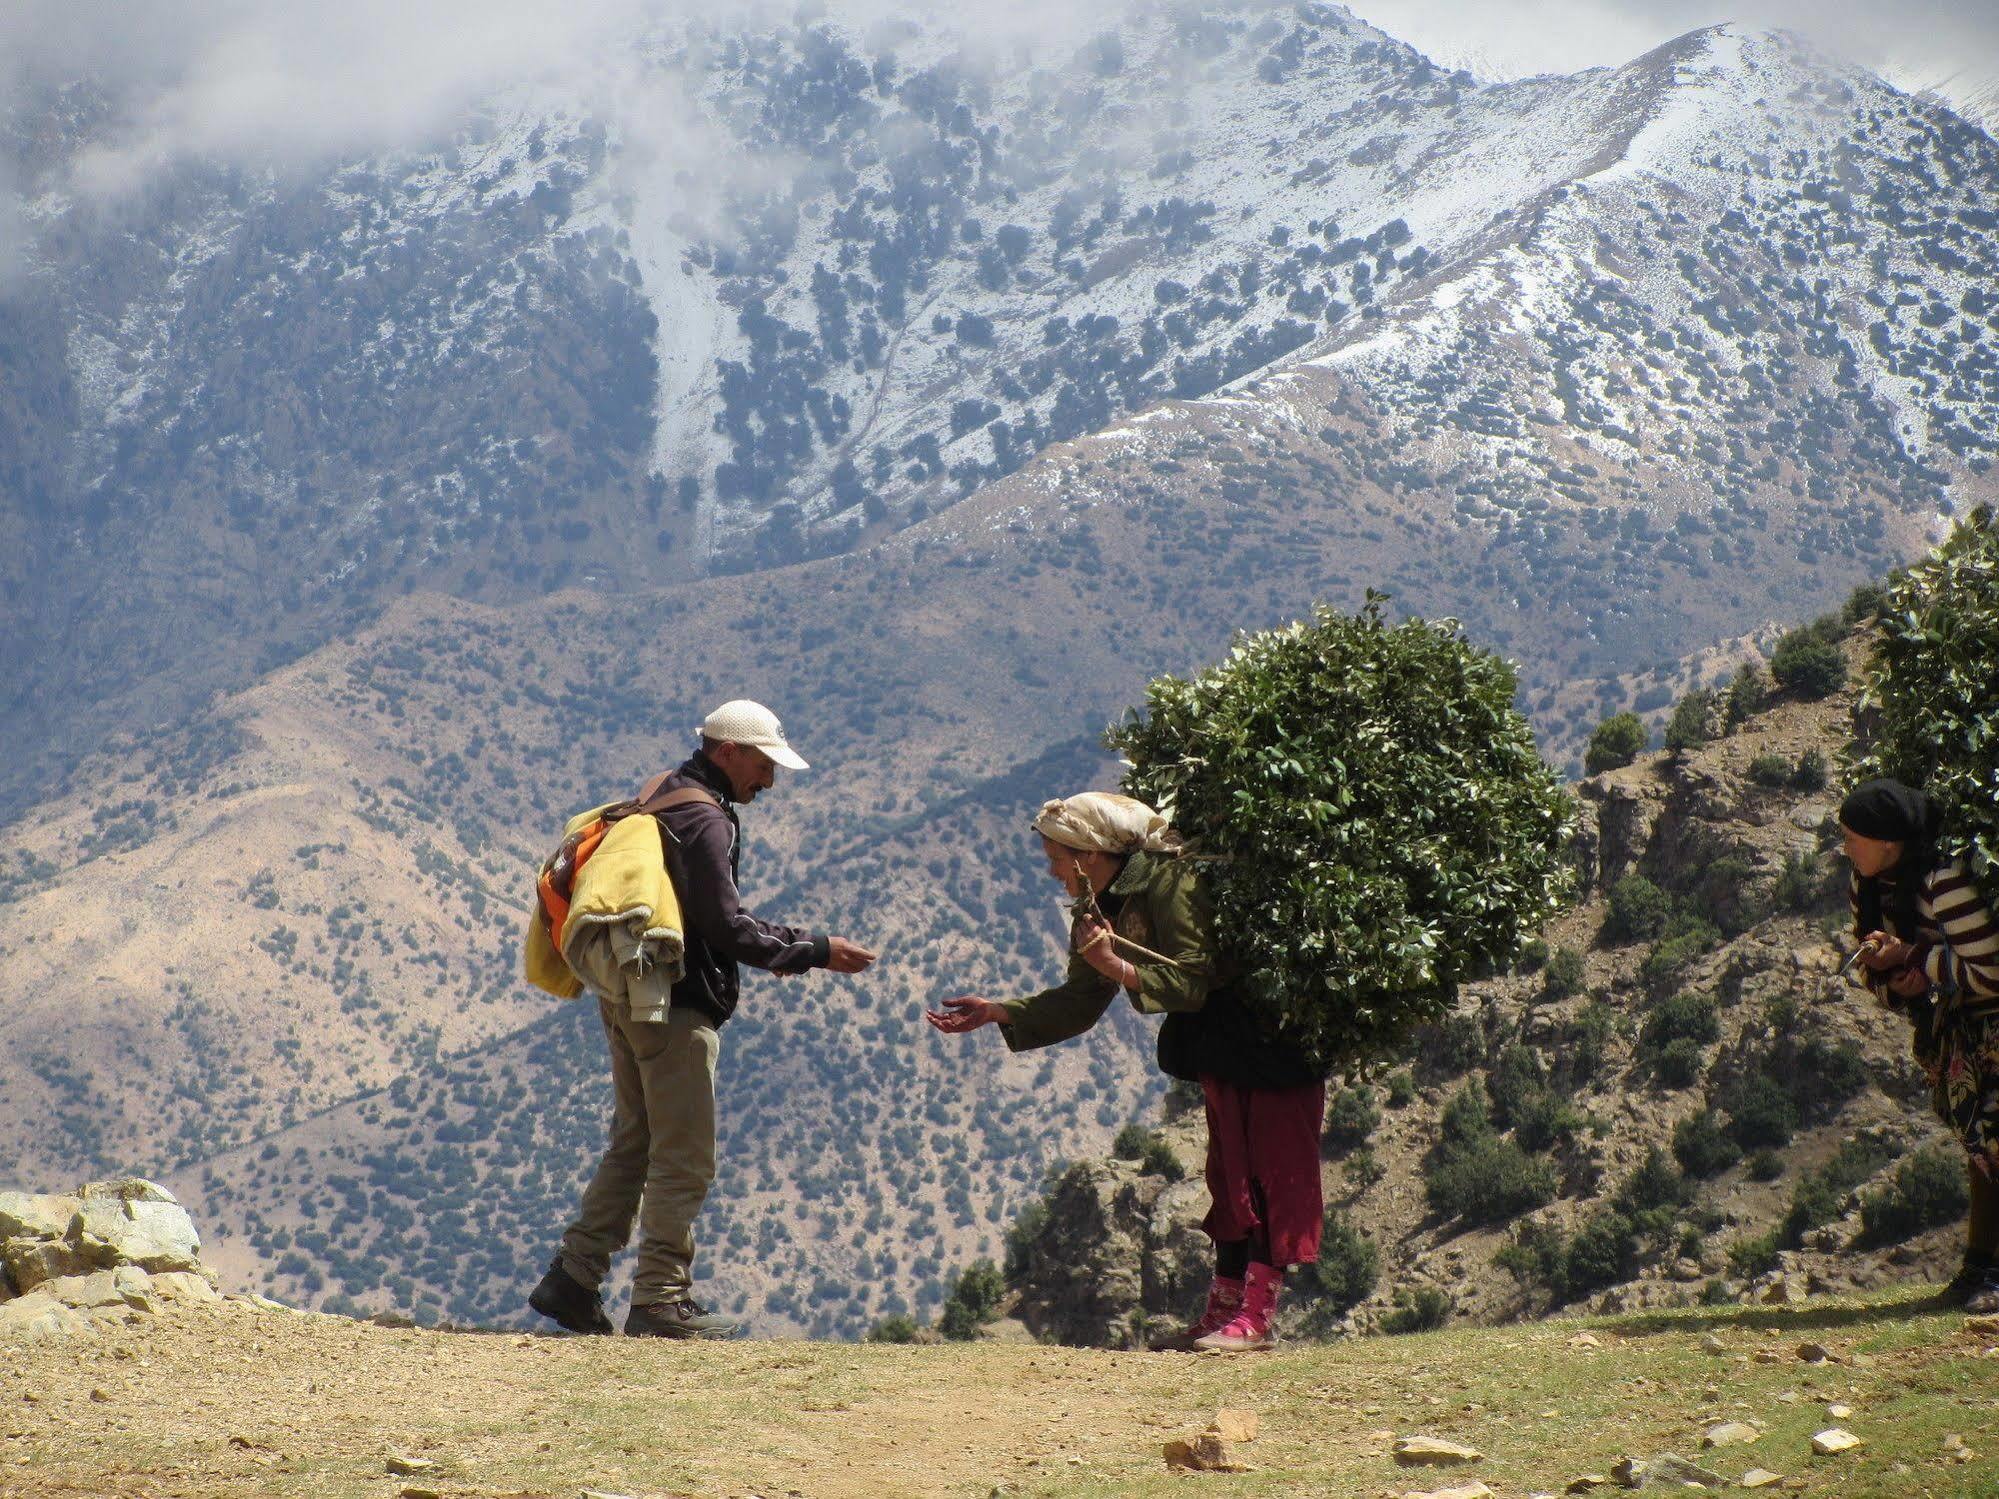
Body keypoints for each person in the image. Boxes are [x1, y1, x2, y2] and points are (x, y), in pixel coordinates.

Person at [927, 791, 1324, 1351]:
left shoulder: (1171, 881)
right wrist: (1000, 1012)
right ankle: (1226, 1309)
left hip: (1273, 1038)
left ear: (1087, 855)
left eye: (1055, 858)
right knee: (1230, 1178)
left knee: (1272, 1174)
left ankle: (1256, 1318)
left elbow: (1192, 980)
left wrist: (1117, 965)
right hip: (1217, 1046)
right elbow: (1082, 999)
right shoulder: (1096, 907)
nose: (1052, 871)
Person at [530, 700, 876, 1338]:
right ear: (730, 752)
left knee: (634, 1141)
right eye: (763, 765)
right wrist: (817, 950)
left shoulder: (663, 790)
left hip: (628, 991)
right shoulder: (705, 817)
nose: (768, 782)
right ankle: (660, 1298)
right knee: (685, 1154)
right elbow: (726, 925)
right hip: (673, 1002)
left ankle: (573, 1278)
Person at [1839, 778, 1999, 1313]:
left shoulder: (1943, 883)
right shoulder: (1870, 887)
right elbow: (1882, 969)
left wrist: (1913, 958)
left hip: (1990, 1030)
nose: (1846, 849)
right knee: (1982, 1153)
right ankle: (1981, 1269)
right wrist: (1899, 978)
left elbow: (1992, 975)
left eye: (1853, 838)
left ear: (1888, 842)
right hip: (1959, 1036)